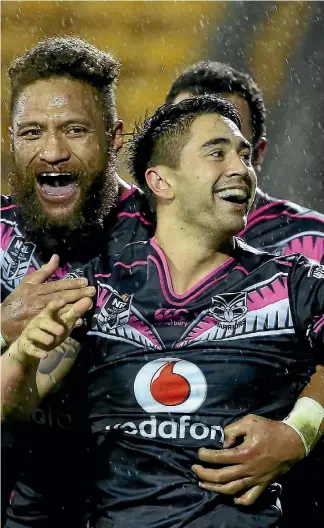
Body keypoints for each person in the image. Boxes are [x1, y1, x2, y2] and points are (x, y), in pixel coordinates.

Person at [9, 96, 323, 527]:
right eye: (217, 152)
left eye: (244, 155)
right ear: (161, 182)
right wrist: (22, 356)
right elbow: (15, 405)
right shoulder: (93, 290)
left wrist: (298, 432)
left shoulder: (292, 284)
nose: (241, 168)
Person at [1, 36, 154, 527]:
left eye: (74, 130)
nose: (52, 151)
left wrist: (301, 430)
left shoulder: (175, 237)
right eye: (31, 132)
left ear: (115, 138)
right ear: (10, 139)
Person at [165, 61, 324, 523]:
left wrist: (297, 432)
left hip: (289, 494)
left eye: (226, 144)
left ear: (255, 154)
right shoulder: (127, 239)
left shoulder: (311, 244)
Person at [166, 61, 324, 264]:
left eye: (219, 151)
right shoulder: (130, 242)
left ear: (257, 154)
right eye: (187, 144)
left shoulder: (314, 244)